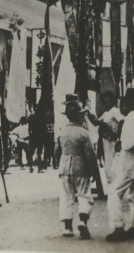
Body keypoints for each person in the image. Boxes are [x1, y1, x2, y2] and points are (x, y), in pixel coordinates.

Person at [106, 88, 134, 242]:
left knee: (114, 192)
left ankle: (118, 226)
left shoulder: (131, 119)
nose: (123, 105)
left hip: (130, 162)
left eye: (125, 102)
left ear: (131, 103)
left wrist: (121, 145)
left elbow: (132, 141)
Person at [56, 94, 97, 240]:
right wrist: (93, 170)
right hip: (81, 167)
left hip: (64, 167)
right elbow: (90, 154)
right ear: (79, 116)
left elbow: (57, 151)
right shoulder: (83, 133)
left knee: (66, 196)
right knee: (84, 194)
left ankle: (67, 227)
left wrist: (59, 166)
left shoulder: (62, 132)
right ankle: (83, 221)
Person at [86, 90, 124, 191]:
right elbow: (96, 122)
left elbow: (122, 121)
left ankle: (114, 188)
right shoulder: (107, 113)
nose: (107, 104)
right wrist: (87, 113)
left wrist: (117, 136)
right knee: (107, 164)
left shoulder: (115, 111)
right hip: (105, 141)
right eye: (105, 102)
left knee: (112, 165)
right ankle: (112, 187)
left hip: (112, 142)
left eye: (109, 102)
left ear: (113, 102)